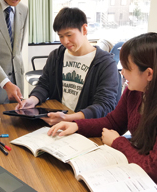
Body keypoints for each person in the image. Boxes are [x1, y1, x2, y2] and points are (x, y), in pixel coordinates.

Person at [48, 32, 157, 183]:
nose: (122, 73)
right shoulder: (133, 91)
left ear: (149, 74)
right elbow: (113, 122)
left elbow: (152, 169)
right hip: (135, 167)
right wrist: (77, 126)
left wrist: (118, 142)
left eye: (127, 68)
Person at [16, 7, 121, 125]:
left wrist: (69, 118)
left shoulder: (105, 64)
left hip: (86, 127)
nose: (65, 41)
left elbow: (104, 105)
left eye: (69, 35)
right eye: (61, 36)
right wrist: (32, 100)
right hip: (57, 123)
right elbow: (44, 84)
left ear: (84, 29)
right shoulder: (56, 56)